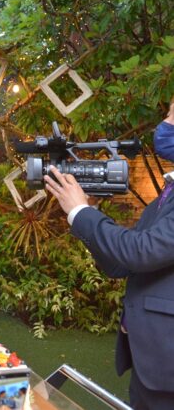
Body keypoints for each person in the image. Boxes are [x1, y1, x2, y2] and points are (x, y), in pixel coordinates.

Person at [44, 98, 174, 410]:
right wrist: (86, 214)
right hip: (152, 361)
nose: (165, 124)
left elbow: (140, 252)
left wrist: (80, 212)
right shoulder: (167, 194)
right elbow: (121, 264)